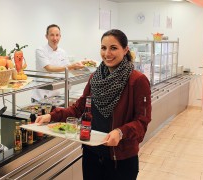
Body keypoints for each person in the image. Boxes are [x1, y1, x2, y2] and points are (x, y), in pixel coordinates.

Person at [35, 29, 152, 180]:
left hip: (120, 159)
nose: (107, 53)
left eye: (113, 48)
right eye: (103, 48)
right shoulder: (95, 77)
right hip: (92, 154)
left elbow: (142, 121)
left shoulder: (137, 80)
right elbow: (79, 108)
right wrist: (51, 116)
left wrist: (121, 132)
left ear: (125, 50)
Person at [32, 24, 91, 102]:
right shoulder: (40, 50)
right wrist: (71, 66)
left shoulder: (62, 52)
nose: (55, 38)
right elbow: (49, 68)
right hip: (41, 96)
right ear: (46, 36)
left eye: (57, 35)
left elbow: (70, 69)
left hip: (56, 95)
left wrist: (83, 67)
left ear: (60, 36)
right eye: (52, 35)